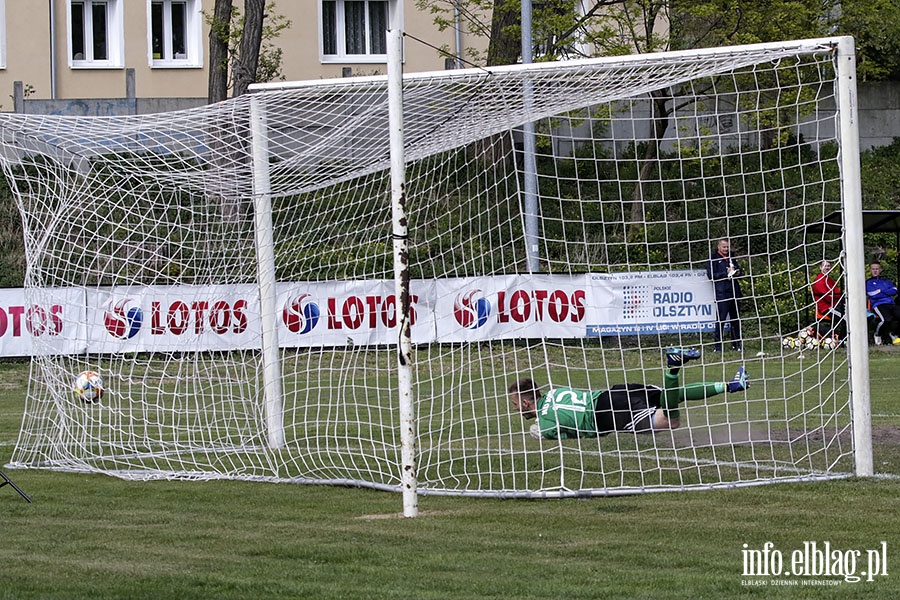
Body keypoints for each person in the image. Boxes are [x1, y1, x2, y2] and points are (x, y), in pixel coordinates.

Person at [509, 348, 749, 439]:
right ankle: (731, 385)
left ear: (526, 400)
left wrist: (541, 433)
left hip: (608, 413)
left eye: (515, 403)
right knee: (671, 396)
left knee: (670, 421)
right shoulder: (554, 391)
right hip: (613, 393)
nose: (515, 409)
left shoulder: (545, 420)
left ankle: (673, 368)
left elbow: (562, 431)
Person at [706, 238, 744, 352]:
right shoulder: (713, 258)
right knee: (721, 320)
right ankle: (718, 346)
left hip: (734, 292)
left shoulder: (732, 257)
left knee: (735, 319)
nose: (726, 249)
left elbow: (740, 271)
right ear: (719, 247)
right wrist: (725, 273)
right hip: (722, 293)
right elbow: (711, 275)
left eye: (727, 247)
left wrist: (737, 272)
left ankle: (736, 345)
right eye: (724, 247)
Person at [866, 260, 900, 345]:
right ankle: (878, 335)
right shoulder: (868, 282)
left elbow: (895, 291)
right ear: (870, 270)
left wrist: (880, 291)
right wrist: (886, 292)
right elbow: (872, 294)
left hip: (891, 303)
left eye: (877, 269)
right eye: (873, 269)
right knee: (886, 320)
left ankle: (894, 333)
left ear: (880, 270)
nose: (875, 271)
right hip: (878, 304)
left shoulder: (886, 281)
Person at [811, 259, 845, 338]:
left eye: (828, 266)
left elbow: (838, 292)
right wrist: (835, 296)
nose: (827, 268)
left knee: (849, 314)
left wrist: (836, 296)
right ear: (820, 267)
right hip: (826, 308)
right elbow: (827, 298)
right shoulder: (819, 280)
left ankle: (842, 337)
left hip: (834, 305)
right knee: (844, 318)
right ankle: (841, 339)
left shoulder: (829, 279)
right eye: (825, 266)